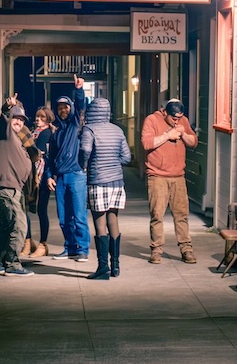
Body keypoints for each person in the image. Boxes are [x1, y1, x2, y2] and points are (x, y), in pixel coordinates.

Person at [0, 97, 39, 276]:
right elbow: (4, 119)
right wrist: (8, 107)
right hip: (6, 187)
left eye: (21, 119)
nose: (18, 122)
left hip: (15, 188)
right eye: (15, 118)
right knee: (19, 224)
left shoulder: (20, 140)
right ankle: (12, 264)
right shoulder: (5, 133)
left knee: (6, 225)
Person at [141, 98, 198, 264]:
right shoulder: (152, 120)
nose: (177, 121)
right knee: (157, 215)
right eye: (174, 118)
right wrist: (167, 135)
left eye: (180, 117)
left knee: (182, 215)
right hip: (157, 176)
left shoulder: (183, 121)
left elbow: (193, 143)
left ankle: (186, 249)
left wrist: (183, 133)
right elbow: (146, 143)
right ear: (164, 111)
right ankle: (156, 250)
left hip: (178, 176)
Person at [80, 97, 131, 279]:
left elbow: (85, 150)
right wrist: (113, 162)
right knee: (113, 220)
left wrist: (83, 164)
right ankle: (115, 266)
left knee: (99, 223)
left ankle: (103, 268)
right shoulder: (117, 130)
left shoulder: (89, 129)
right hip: (117, 181)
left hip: (98, 180)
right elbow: (126, 158)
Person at [47, 74, 90, 261]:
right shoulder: (56, 132)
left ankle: (83, 249)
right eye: (60, 107)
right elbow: (50, 158)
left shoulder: (75, 125)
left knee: (79, 215)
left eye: (66, 106)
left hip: (77, 175)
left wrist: (79, 90)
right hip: (61, 178)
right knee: (63, 218)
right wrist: (49, 175)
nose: (63, 109)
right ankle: (70, 247)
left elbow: (81, 107)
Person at [20, 106, 56, 258]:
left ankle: (43, 244)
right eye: (37, 117)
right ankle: (28, 242)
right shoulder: (32, 132)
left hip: (41, 178)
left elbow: (39, 153)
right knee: (25, 208)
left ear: (48, 119)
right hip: (28, 176)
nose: (38, 120)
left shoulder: (48, 133)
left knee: (42, 210)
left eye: (42, 118)